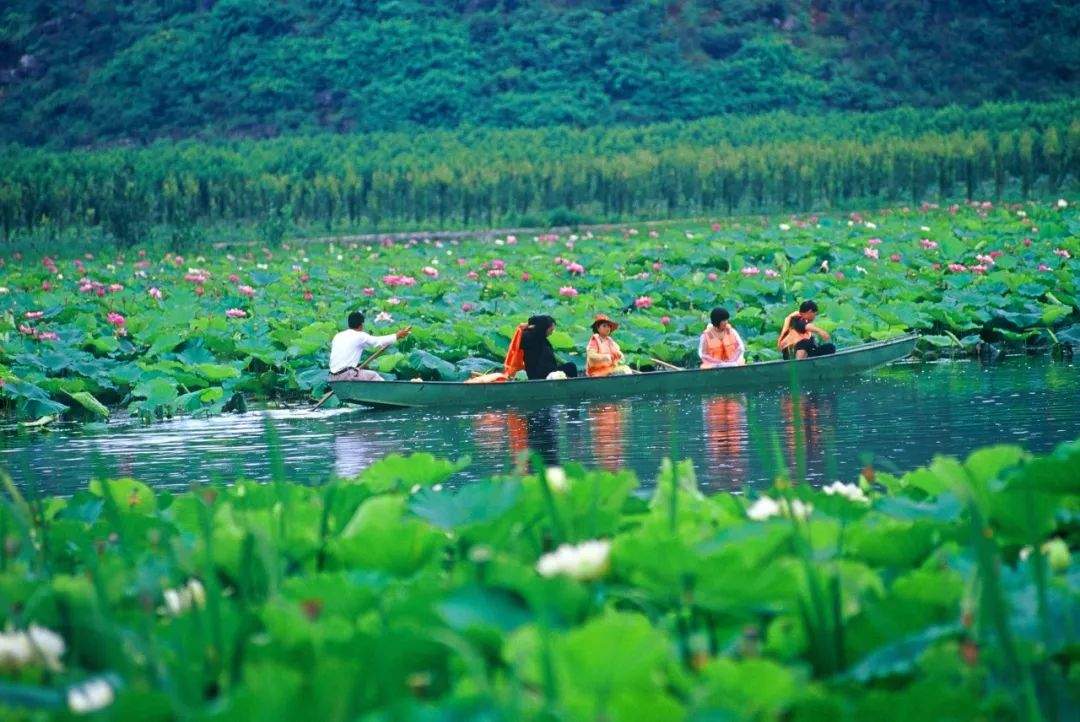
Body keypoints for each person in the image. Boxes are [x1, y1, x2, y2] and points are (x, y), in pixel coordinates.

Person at [328, 310, 410, 381]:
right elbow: (378, 342)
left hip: (332, 377)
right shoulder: (360, 336)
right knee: (373, 375)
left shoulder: (338, 336)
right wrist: (397, 336)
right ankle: (388, 395)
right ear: (361, 325)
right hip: (346, 375)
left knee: (363, 372)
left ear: (349, 323)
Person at [520, 315, 577, 380]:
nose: (551, 333)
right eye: (551, 330)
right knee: (571, 367)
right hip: (541, 374)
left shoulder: (538, 336)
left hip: (544, 372)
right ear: (544, 327)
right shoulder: (531, 338)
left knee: (570, 366)